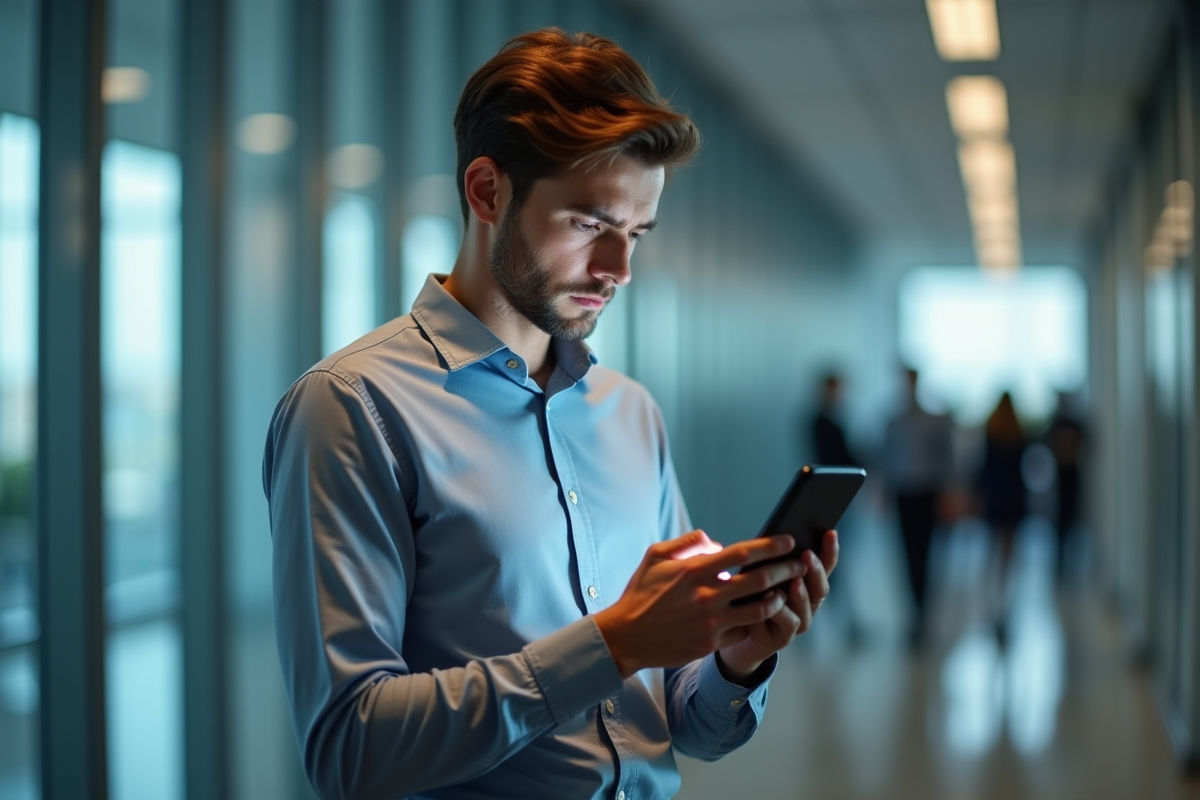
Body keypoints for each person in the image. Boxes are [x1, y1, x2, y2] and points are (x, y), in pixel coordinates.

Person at [262, 29, 838, 800]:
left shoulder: (632, 414)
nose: (620, 271)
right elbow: (350, 751)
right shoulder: (353, 409)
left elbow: (685, 728)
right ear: (487, 192)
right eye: (590, 226)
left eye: (636, 235)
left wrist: (736, 659)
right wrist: (616, 642)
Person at [880, 367, 954, 649]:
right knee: (907, 554)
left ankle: (924, 614)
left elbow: (947, 458)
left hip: (928, 491)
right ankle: (913, 613)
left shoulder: (934, 420)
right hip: (903, 492)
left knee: (926, 554)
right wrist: (884, 492)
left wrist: (950, 493)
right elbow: (886, 457)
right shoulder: (893, 421)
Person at [806, 370, 865, 644]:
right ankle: (831, 624)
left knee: (835, 563)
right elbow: (838, 458)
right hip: (830, 499)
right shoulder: (822, 423)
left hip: (834, 497)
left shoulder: (829, 421)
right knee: (830, 561)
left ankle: (845, 624)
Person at [977, 391, 1028, 643]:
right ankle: (1006, 593)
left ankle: (992, 595)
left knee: (992, 547)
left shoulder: (991, 430)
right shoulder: (1019, 432)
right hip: (1014, 495)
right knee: (1009, 549)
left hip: (996, 495)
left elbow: (983, 468)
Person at [1045, 390, 1087, 582]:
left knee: (1074, 516)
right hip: (1060, 477)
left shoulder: (1075, 423)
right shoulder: (1056, 423)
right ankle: (1060, 558)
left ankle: (1072, 559)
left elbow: (1087, 442)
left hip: (1073, 475)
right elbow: (1047, 443)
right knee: (1060, 518)